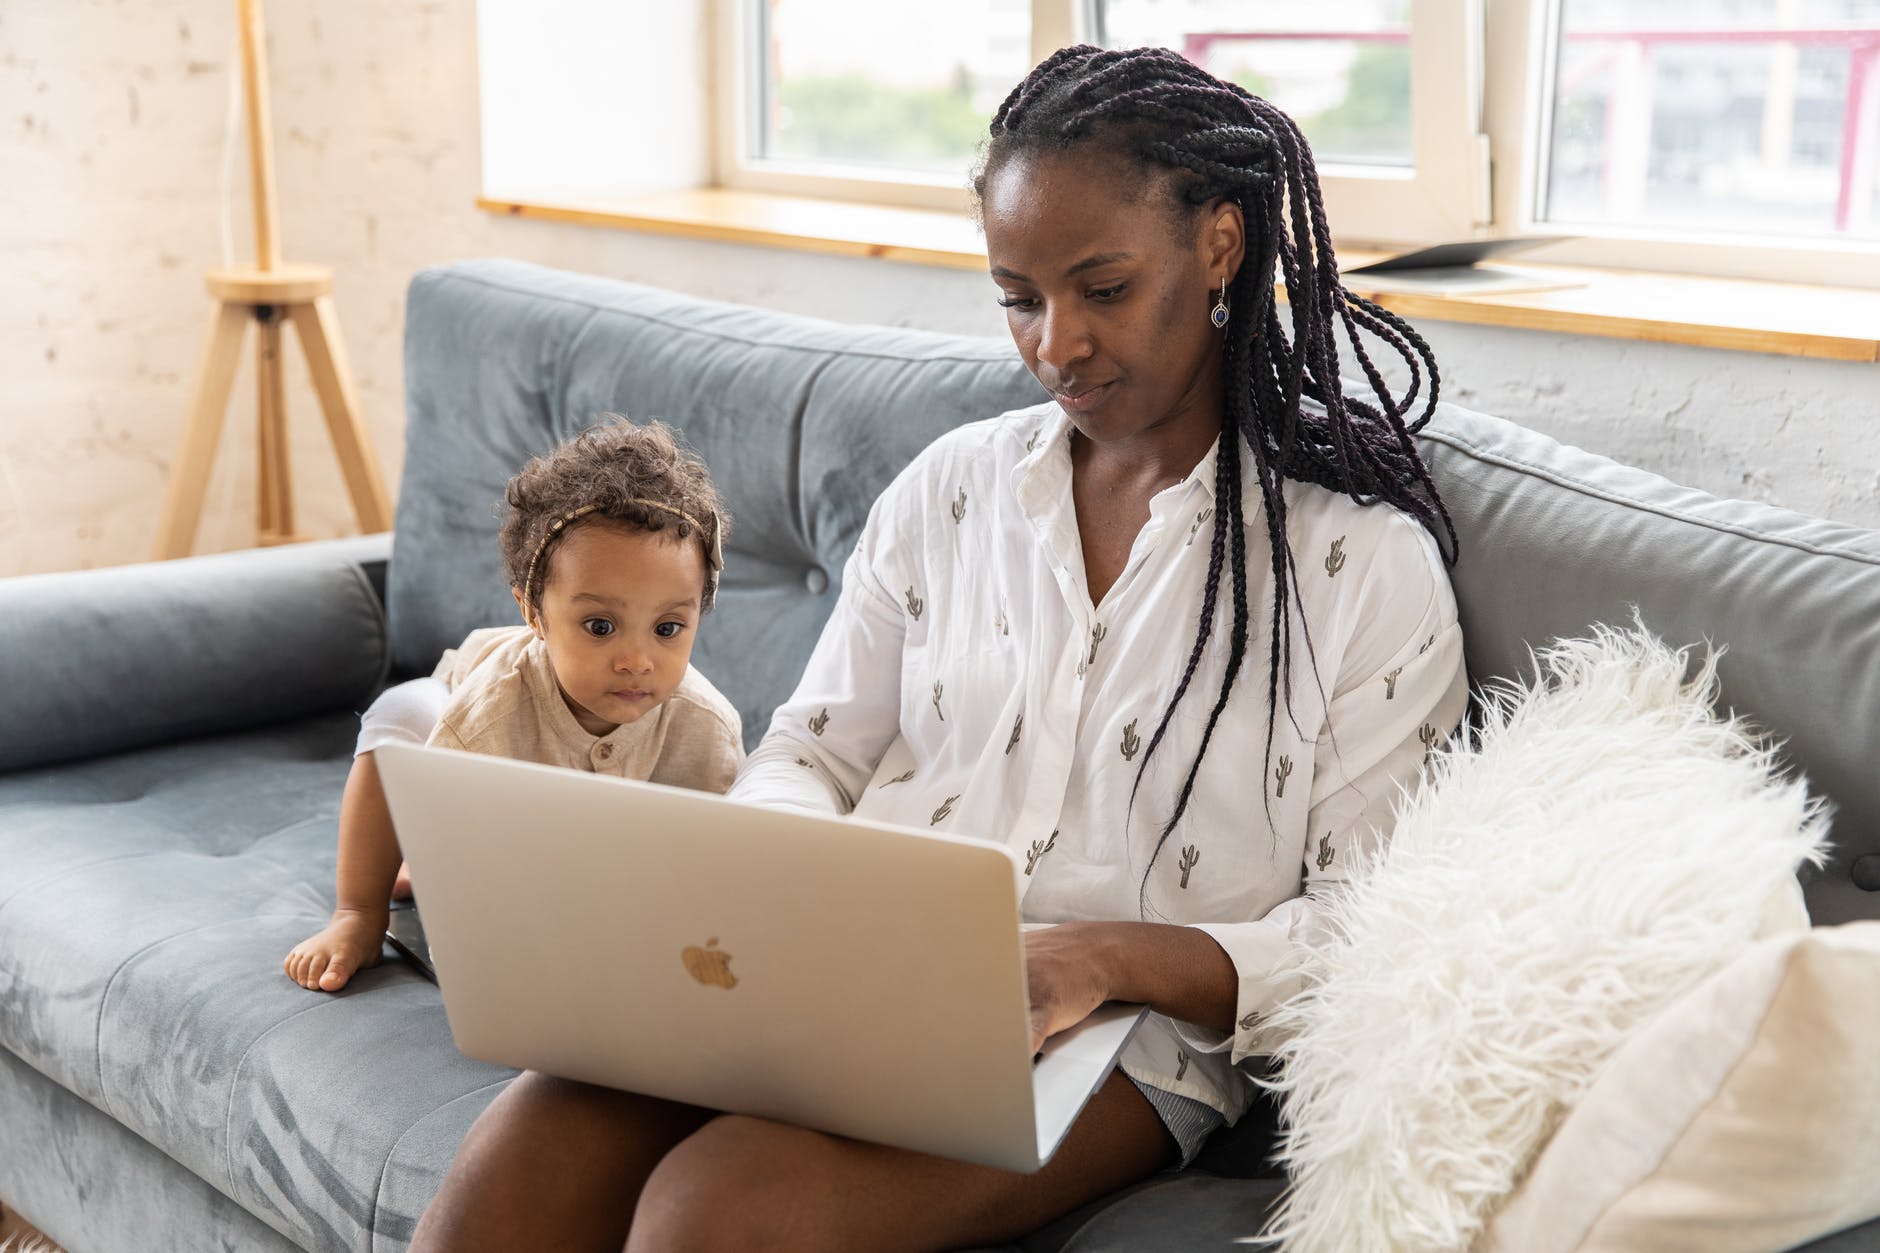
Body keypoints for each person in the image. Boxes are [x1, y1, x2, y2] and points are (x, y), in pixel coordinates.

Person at [409, 45, 1469, 1252]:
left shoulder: (1358, 567)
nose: (1054, 343)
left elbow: (1365, 933)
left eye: (1102, 289)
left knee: (711, 1214)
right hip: (847, 978)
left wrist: (1089, 956)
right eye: (1018, 297)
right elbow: (809, 748)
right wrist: (787, 894)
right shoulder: (948, 489)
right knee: (518, 1161)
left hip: (1122, 1035)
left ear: (1218, 245)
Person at [283, 418, 744, 993]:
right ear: (533, 614)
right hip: (455, 762)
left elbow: (713, 866)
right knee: (401, 715)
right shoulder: (482, 722)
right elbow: (460, 861)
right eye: (600, 626)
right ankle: (358, 912)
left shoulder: (706, 728)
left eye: (669, 627)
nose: (636, 660)